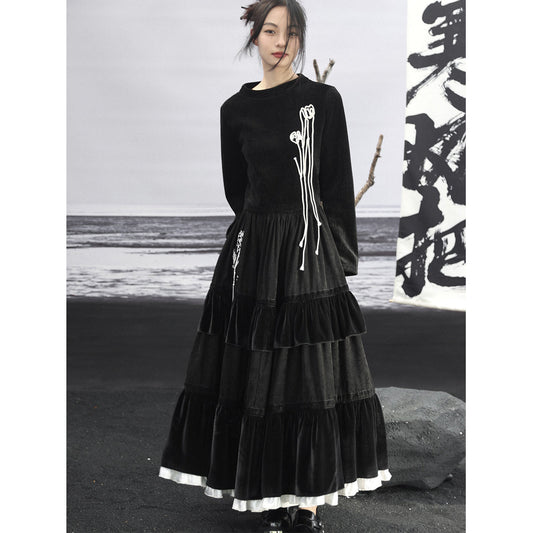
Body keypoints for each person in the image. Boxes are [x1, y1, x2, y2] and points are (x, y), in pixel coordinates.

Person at [158, 1, 392, 532]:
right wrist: (259, 237)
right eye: (270, 31)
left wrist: (340, 256)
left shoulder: (323, 101)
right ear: (254, 38)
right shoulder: (234, 110)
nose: (280, 41)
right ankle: (269, 491)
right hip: (255, 253)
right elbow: (237, 191)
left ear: (300, 39)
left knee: (309, 375)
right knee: (257, 375)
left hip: (308, 251)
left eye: (290, 32)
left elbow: (337, 183)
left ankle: (306, 505)